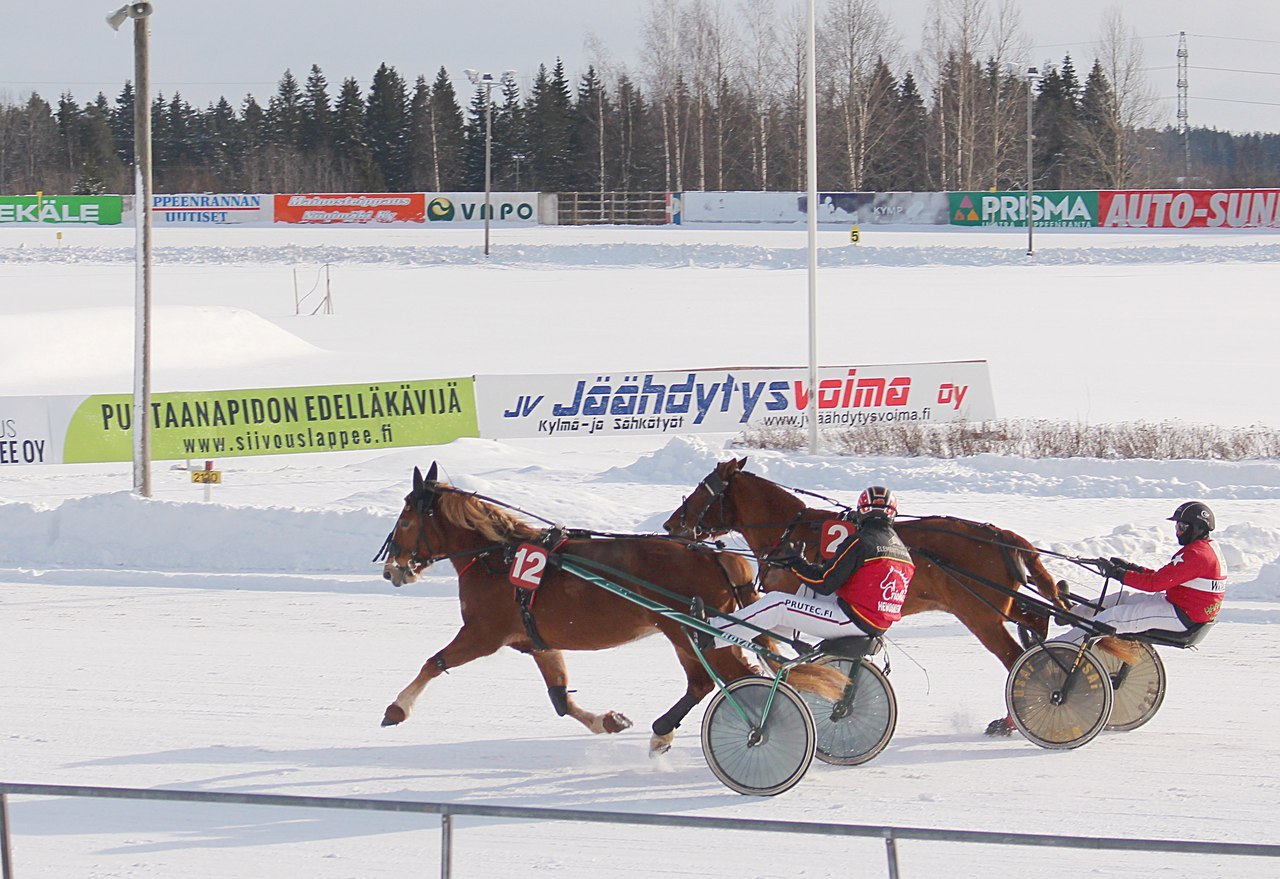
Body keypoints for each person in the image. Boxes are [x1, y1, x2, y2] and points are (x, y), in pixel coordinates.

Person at [703, 486, 915, 651]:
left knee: (778, 603)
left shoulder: (860, 542)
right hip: (875, 622)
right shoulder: (903, 551)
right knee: (804, 592)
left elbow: (824, 583)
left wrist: (796, 562)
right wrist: (801, 565)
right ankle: (782, 634)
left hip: (852, 619)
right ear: (892, 514)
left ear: (862, 511)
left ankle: (713, 634)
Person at [1058, 501, 1227, 644]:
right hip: (1182, 607)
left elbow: (1154, 584)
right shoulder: (1205, 549)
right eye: (1177, 526)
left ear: (1197, 528)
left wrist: (1118, 573)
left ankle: (1057, 648)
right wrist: (1133, 568)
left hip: (1182, 616)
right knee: (1122, 598)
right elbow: (1165, 578)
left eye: (1182, 526)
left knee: (1111, 618)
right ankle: (1073, 615)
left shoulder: (1196, 554)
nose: (1177, 531)